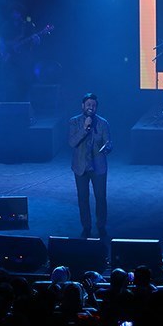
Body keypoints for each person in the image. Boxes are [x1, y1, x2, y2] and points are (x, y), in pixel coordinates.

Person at [68, 92, 112, 238]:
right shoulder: (74, 122)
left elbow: (108, 142)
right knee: (83, 198)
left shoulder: (103, 123)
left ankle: (101, 226)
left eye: (93, 105)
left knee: (100, 197)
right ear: (83, 106)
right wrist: (85, 129)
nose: (91, 108)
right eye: (88, 105)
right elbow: (72, 142)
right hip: (80, 167)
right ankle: (86, 227)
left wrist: (108, 147)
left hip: (98, 167)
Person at [0, 3, 41, 101]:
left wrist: (36, 40)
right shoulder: (6, 25)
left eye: (17, 12)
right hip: (10, 59)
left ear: (21, 13)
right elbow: (1, 39)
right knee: (10, 83)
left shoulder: (28, 25)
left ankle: (26, 106)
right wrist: (3, 51)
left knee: (25, 82)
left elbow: (34, 42)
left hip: (23, 59)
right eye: (13, 12)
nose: (15, 14)